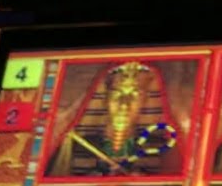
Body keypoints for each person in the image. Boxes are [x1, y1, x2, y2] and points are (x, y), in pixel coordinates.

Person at [46, 61, 183, 176]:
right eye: (117, 94)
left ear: (145, 100)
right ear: (105, 98)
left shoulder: (159, 147)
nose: (124, 105)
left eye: (134, 95)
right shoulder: (77, 144)